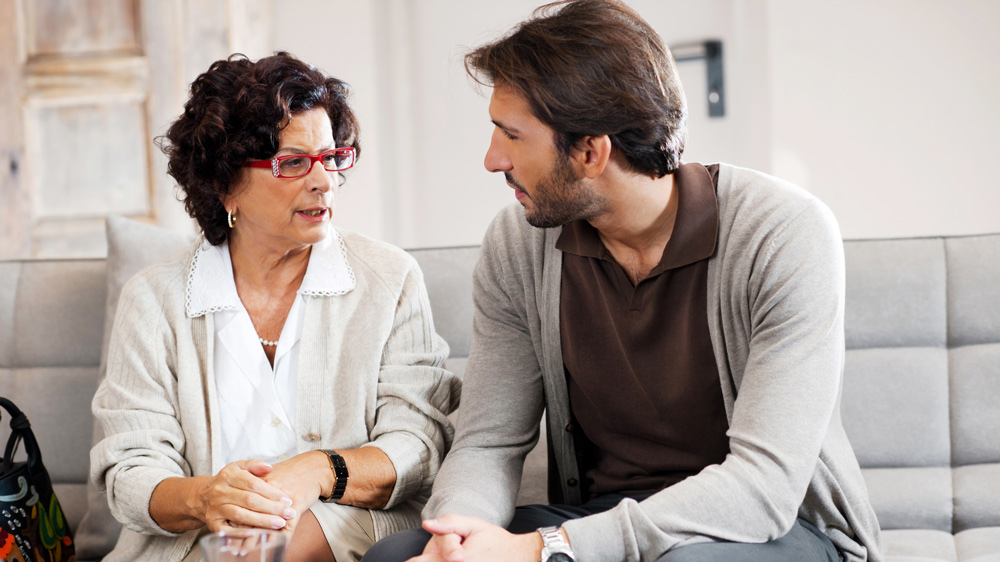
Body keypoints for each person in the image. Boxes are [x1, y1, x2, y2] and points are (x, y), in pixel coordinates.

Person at [363, 1, 883, 561]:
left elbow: (763, 487)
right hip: (601, 515)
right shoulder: (519, 244)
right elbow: (488, 441)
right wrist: (456, 540)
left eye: (510, 136)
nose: (492, 160)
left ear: (590, 151)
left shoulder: (782, 233)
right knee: (397, 556)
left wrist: (547, 549)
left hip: (765, 530)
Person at [90, 52, 461, 562]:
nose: (324, 181)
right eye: (292, 163)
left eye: (331, 158)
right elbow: (130, 469)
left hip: (343, 526)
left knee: (258, 550)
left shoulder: (388, 279)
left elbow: (418, 443)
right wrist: (207, 498)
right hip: (195, 543)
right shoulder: (154, 299)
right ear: (224, 184)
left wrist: (313, 471)